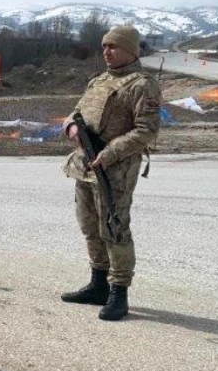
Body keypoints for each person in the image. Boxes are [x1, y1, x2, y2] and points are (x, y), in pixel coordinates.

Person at [61, 24, 161, 321]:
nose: (106, 51)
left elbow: (146, 131)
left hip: (115, 169)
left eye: (113, 46)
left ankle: (119, 292)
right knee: (90, 225)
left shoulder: (142, 85)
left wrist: (110, 153)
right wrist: (72, 127)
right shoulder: (99, 80)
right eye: (104, 46)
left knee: (114, 228)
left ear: (131, 50)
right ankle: (98, 284)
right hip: (85, 165)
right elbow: (75, 111)